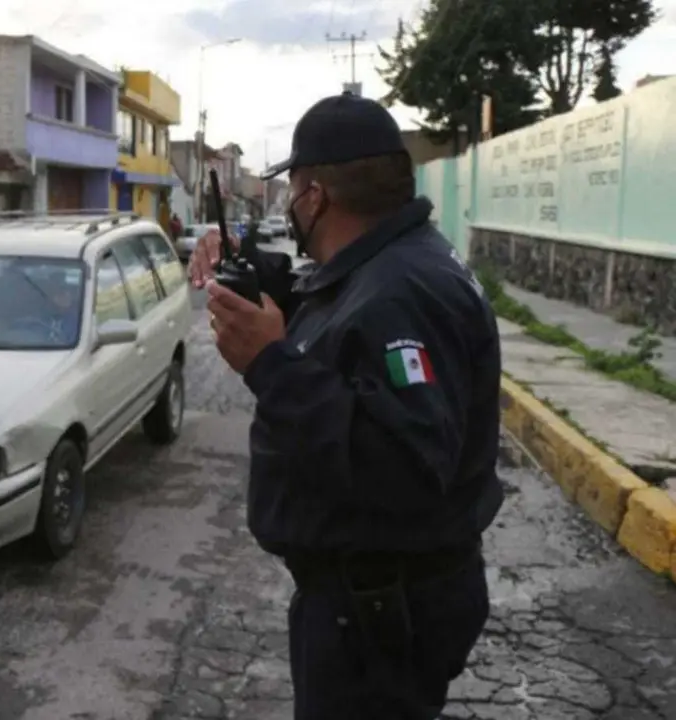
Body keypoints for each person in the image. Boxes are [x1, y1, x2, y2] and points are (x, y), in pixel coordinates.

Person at [188, 92, 503, 719]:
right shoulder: (393, 262)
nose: (290, 206)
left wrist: (270, 363)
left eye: (292, 192)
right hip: (373, 605)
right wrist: (250, 270)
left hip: (378, 620)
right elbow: (330, 299)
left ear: (315, 198)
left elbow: (405, 470)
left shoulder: (401, 295)